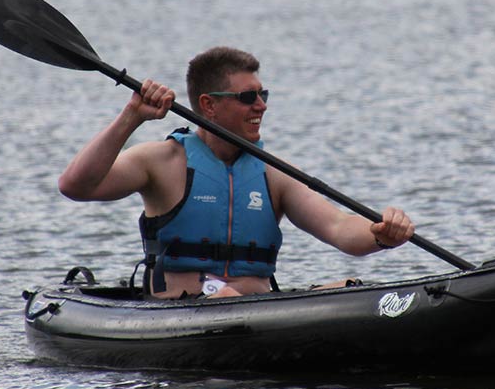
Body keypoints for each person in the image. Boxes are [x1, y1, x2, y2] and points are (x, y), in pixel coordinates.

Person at [58, 46, 415, 299]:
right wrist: (131, 116)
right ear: (208, 105)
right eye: (248, 97)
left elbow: (339, 229)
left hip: (257, 310)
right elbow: (75, 185)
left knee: (351, 287)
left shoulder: (274, 173)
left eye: (264, 95)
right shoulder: (161, 161)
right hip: (181, 313)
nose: (261, 106)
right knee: (221, 294)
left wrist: (381, 233)